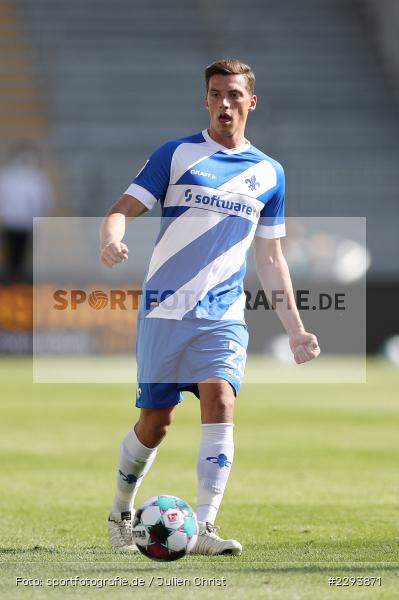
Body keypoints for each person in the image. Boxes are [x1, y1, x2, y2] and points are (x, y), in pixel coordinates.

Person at [100, 59, 320, 556]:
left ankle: (203, 528)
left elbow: (270, 255)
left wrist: (296, 330)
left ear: (251, 102)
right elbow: (121, 210)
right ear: (206, 99)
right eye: (216, 94)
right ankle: (120, 508)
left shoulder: (269, 173)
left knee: (221, 400)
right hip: (164, 311)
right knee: (156, 424)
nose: (225, 103)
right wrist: (111, 240)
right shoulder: (175, 155)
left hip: (222, 313)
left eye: (234, 95)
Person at [0, 142, 53, 282]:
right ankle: (9, 279)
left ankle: (21, 279)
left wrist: (40, 220)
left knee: (24, 253)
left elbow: (44, 200)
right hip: (10, 221)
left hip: (27, 222)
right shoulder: (6, 176)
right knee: (10, 252)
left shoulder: (37, 178)